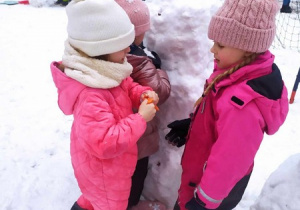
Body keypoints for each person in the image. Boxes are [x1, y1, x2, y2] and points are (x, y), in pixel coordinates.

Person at [165, 0, 289, 209]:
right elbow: (222, 124)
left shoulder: (242, 104)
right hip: (206, 182)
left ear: (248, 49)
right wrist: (194, 127)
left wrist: (204, 201)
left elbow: (230, 161)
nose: (212, 49)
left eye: (220, 45)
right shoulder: (235, 74)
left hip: (211, 193)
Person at [50, 0, 159, 209]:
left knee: (94, 198)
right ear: (101, 50)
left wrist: (142, 94)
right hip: (105, 173)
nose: (129, 48)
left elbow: (126, 85)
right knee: (109, 204)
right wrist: (140, 118)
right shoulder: (91, 95)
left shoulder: (107, 69)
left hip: (106, 168)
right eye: (122, 46)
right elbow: (105, 143)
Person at [115, 0, 171, 210]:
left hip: (117, 128)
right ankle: (131, 204)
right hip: (138, 132)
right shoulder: (141, 61)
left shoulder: (109, 55)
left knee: (118, 172)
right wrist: (159, 69)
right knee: (136, 171)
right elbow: (160, 92)